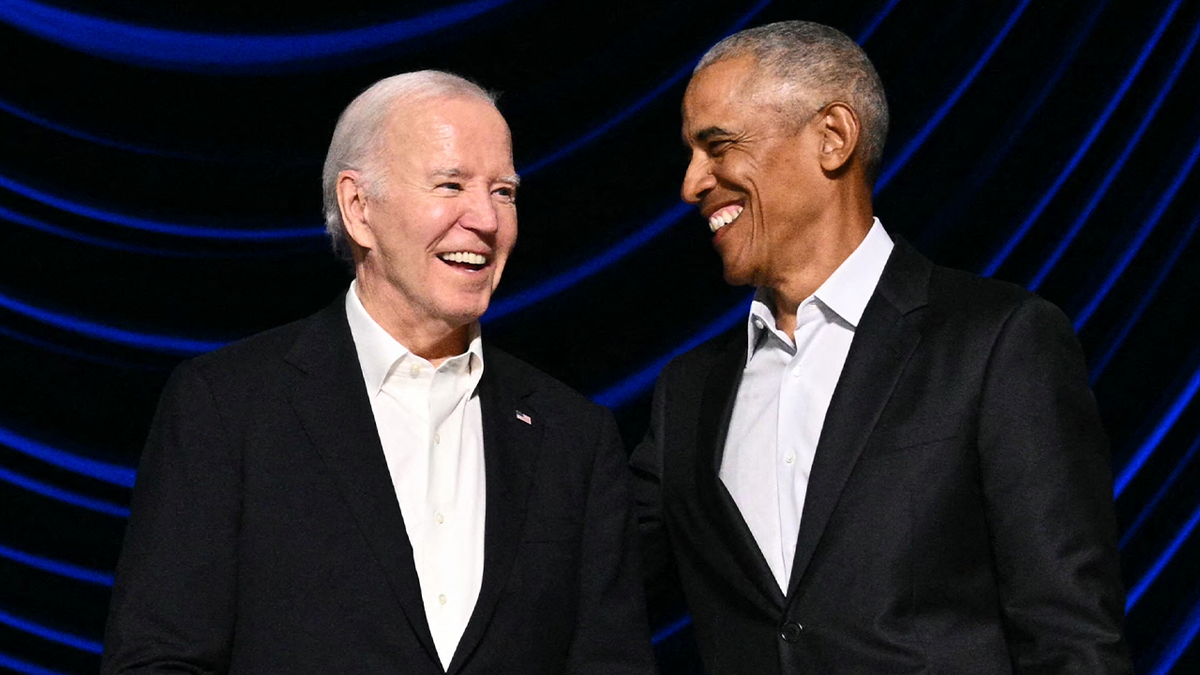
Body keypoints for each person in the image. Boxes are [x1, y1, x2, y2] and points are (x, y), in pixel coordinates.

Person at [102, 70, 656, 675]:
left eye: (504, 191)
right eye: (451, 184)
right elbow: (158, 661)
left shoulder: (573, 437)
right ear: (359, 207)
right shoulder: (228, 406)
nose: (487, 220)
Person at [630, 21, 1132, 674]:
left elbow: (1073, 636)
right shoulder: (689, 395)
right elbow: (576, 577)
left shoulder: (996, 342)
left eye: (718, 146)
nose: (692, 183)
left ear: (832, 138)